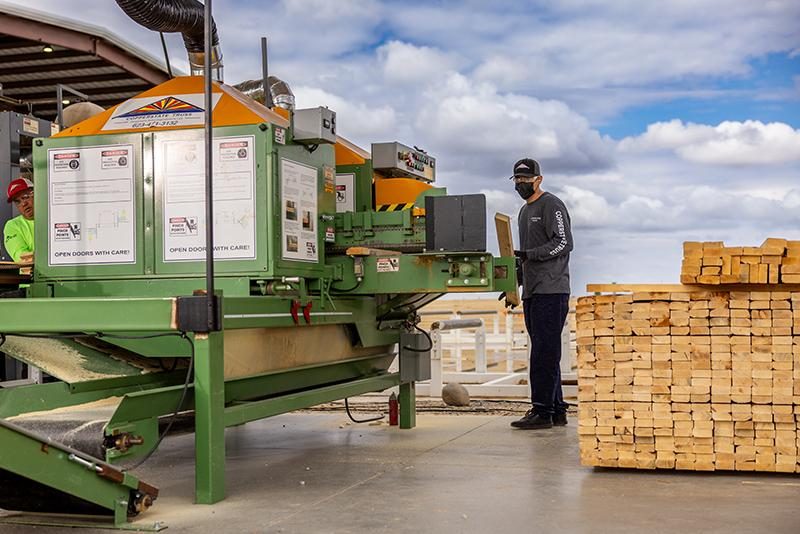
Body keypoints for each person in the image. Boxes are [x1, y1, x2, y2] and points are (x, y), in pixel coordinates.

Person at [505, 158, 573, 430]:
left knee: (544, 353)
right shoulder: (523, 212)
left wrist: (530, 256)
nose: (521, 184)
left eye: (526, 179)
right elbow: (524, 256)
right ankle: (556, 409)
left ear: (538, 179)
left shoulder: (551, 205)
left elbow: (564, 243)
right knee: (544, 350)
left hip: (552, 289)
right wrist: (516, 281)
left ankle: (541, 411)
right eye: (517, 180)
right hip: (532, 291)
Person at [3, 177, 35, 263]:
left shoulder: (52, 219)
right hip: (30, 275)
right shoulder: (12, 226)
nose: (23, 204)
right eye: (18, 202)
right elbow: (23, 258)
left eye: (25, 197)